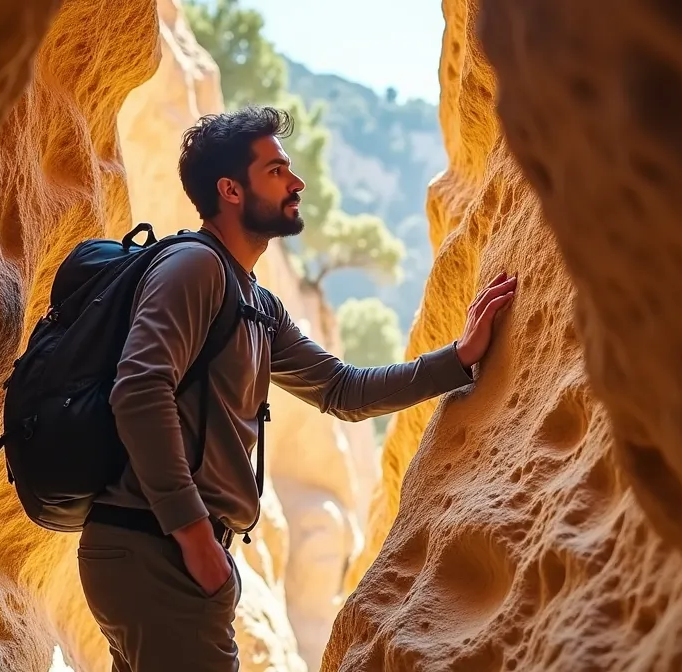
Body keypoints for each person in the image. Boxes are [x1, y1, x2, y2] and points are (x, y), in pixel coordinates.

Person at [75, 105, 519, 671]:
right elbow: (139, 389)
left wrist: (458, 358)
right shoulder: (194, 268)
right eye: (276, 170)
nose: (297, 181)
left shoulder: (254, 302)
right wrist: (193, 537)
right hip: (157, 550)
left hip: (157, 551)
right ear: (231, 190)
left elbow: (342, 389)